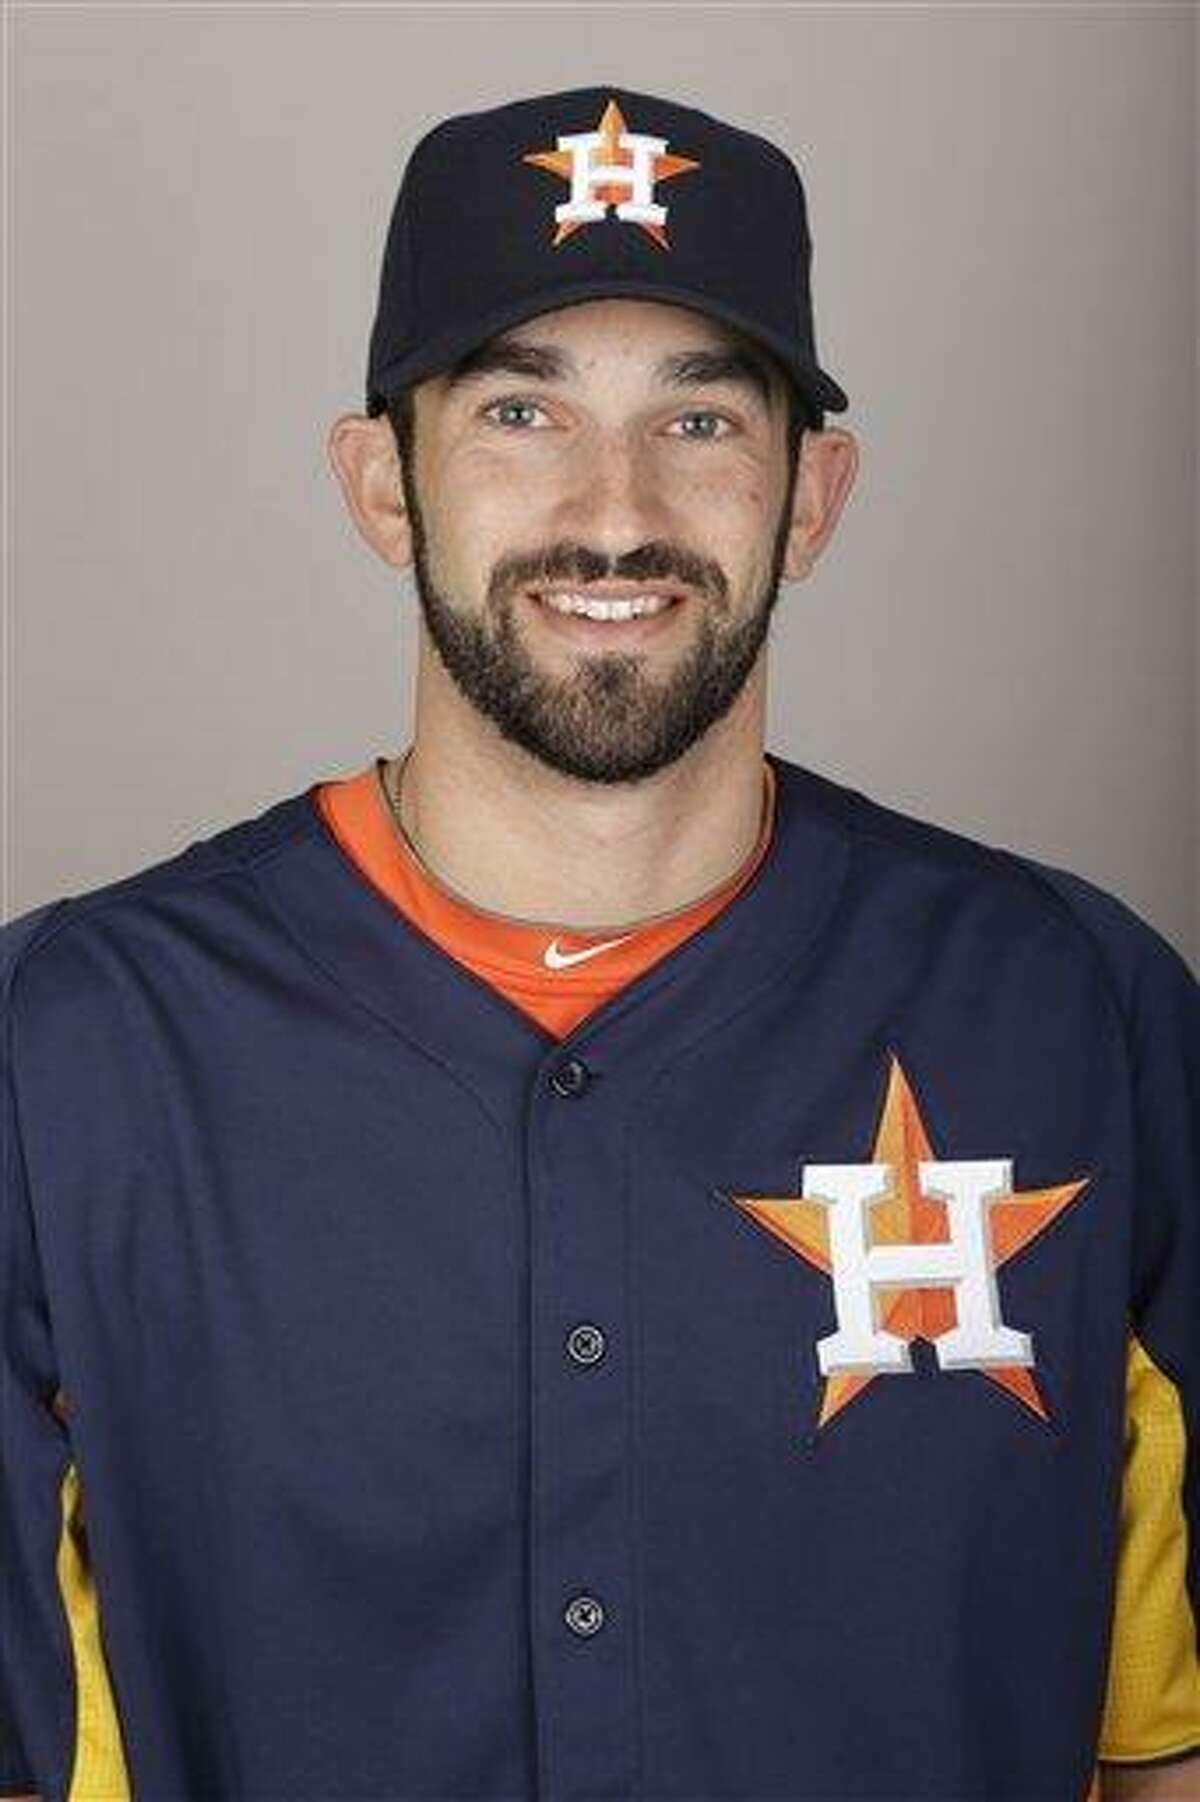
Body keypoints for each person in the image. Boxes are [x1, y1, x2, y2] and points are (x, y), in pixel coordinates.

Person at [1, 83, 1196, 1802]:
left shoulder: (1079, 1012)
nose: (616, 508)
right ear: (383, 484)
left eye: (702, 422)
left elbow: (1169, 1747)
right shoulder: (72, 1048)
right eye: (518, 411)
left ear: (813, 496)